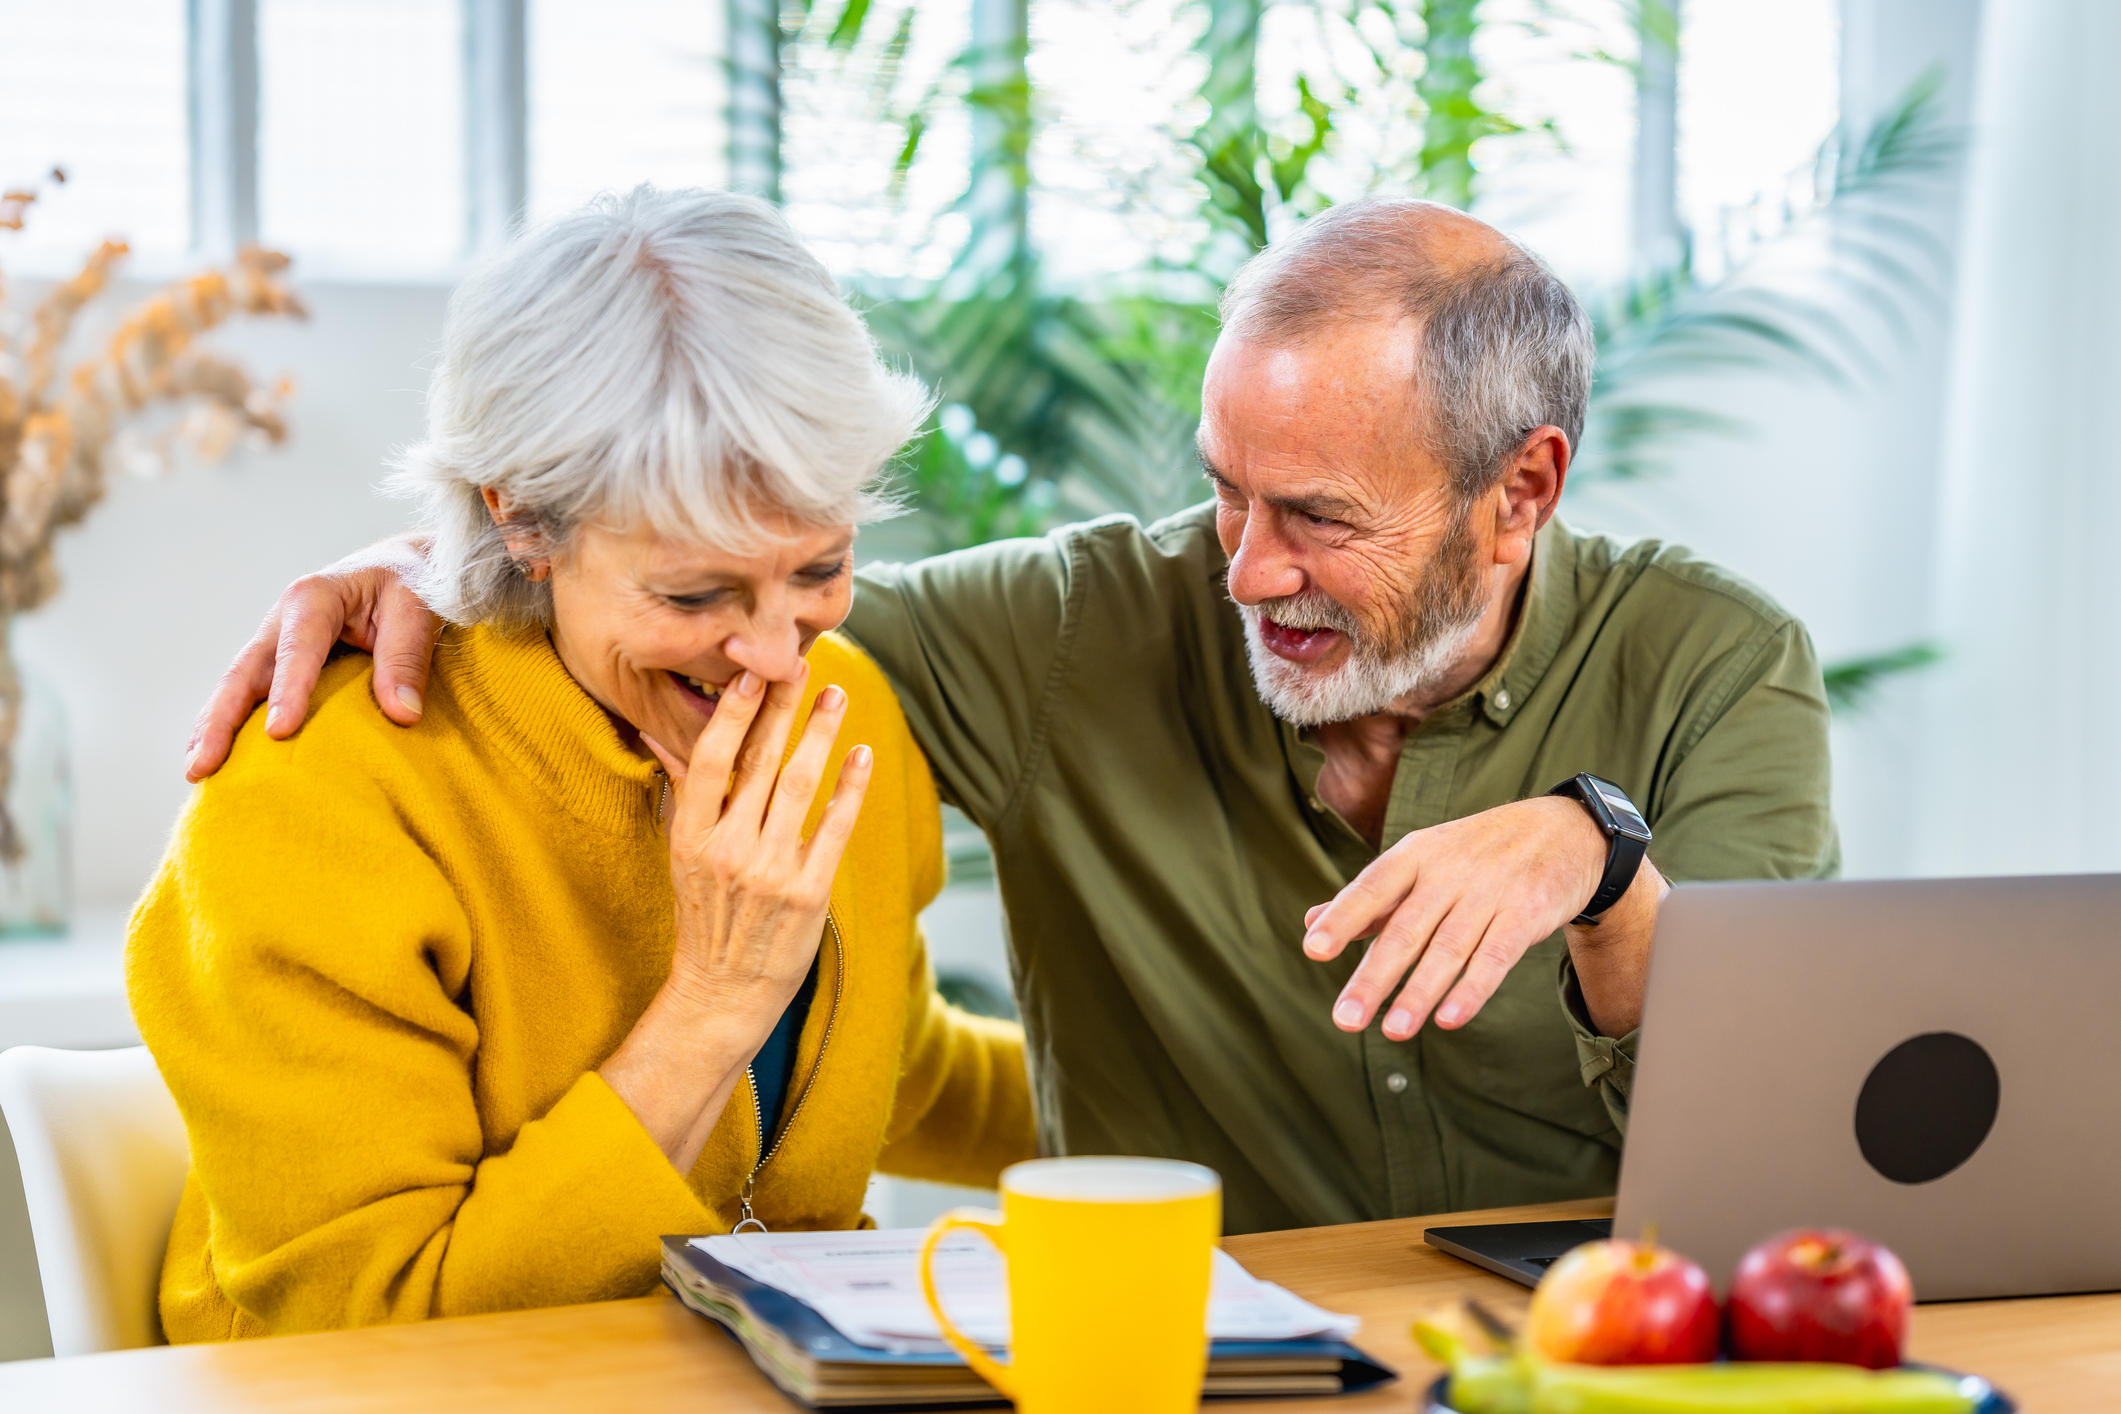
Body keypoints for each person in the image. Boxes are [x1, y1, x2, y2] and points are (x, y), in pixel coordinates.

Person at [187, 199, 1836, 1236]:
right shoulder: (1046, 637)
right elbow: (647, 595)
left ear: (1518, 490)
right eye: (1220, 495)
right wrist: (431, 557)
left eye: (1320, 515)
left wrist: (1601, 861)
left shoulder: (1717, 663)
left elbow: (1780, 1165)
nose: (1245, 569)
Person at [129, 187, 1034, 1340]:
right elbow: (362, 1331)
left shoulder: (842, 705)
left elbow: (895, 1067)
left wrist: (1277, 1103)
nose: (773, 655)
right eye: (694, 593)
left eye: (819, 569)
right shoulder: (314, 800)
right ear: (523, 522)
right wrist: (713, 1006)